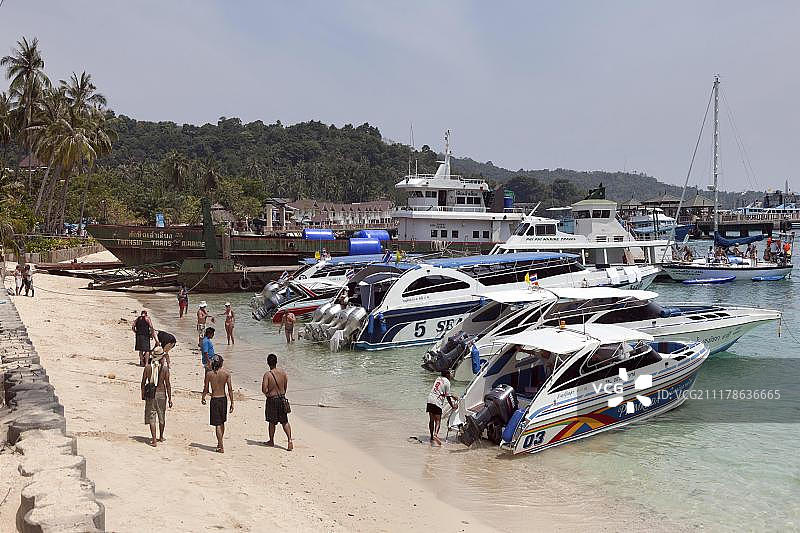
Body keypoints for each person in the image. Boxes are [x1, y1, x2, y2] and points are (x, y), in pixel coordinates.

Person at [201, 356, 234, 453]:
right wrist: (232, 402)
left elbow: (206, 388)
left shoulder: (209, 374)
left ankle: (221, 446)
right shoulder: (226, 373)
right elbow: (230, 389)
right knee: (222, 422)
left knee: (218, 424)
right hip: (223, 399)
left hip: (215, 399)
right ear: (221, 363)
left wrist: (203, 397)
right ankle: (220, 443)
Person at [140, 348, 172, 447]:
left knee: (152, 417)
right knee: (161, 416)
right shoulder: (165, 369)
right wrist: (170, 398)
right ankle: (161, 436)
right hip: (161, 394)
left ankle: (154, 440)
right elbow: (168, 384)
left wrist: (143, 394)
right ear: (161, 358)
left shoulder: (148, 367)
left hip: (151, 395)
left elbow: (143, 383)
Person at [262, 353, 293, 451]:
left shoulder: (268, 375)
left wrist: (267, 394)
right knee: (285, 421)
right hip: (282, 399)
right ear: (276, 362)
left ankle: (271, 441)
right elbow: (285, 386)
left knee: (272, 422)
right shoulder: (283, 373)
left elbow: (264, 389)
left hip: (272, 400)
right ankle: (289, 440)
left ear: (268, 363)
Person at [426, 370, 457, 447]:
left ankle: (431, 437)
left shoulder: (438, 379)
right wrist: (453, 406)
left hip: (430, 399)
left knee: (431, 420)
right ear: (447, 375)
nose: (451, 375)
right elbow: (448, 397)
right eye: (450, 374)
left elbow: (440, 390)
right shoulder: (447, 382)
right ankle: (435, 434)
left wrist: (452, 395)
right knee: (438, 420)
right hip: (437, 401)